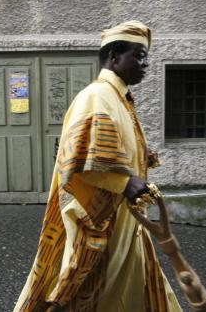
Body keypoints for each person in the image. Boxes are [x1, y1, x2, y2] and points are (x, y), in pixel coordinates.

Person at [14, 21, 182, 312]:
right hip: (102, 223)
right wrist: (126, 182)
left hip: (127, 223)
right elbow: (78, 160)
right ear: (114, 57)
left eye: (146, 56)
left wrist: (143, 158)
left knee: (132, 289)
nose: (146, 63)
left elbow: (112, 148)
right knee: (91, 294)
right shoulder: (97, 97)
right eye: (139, 55)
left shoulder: (119, 98)